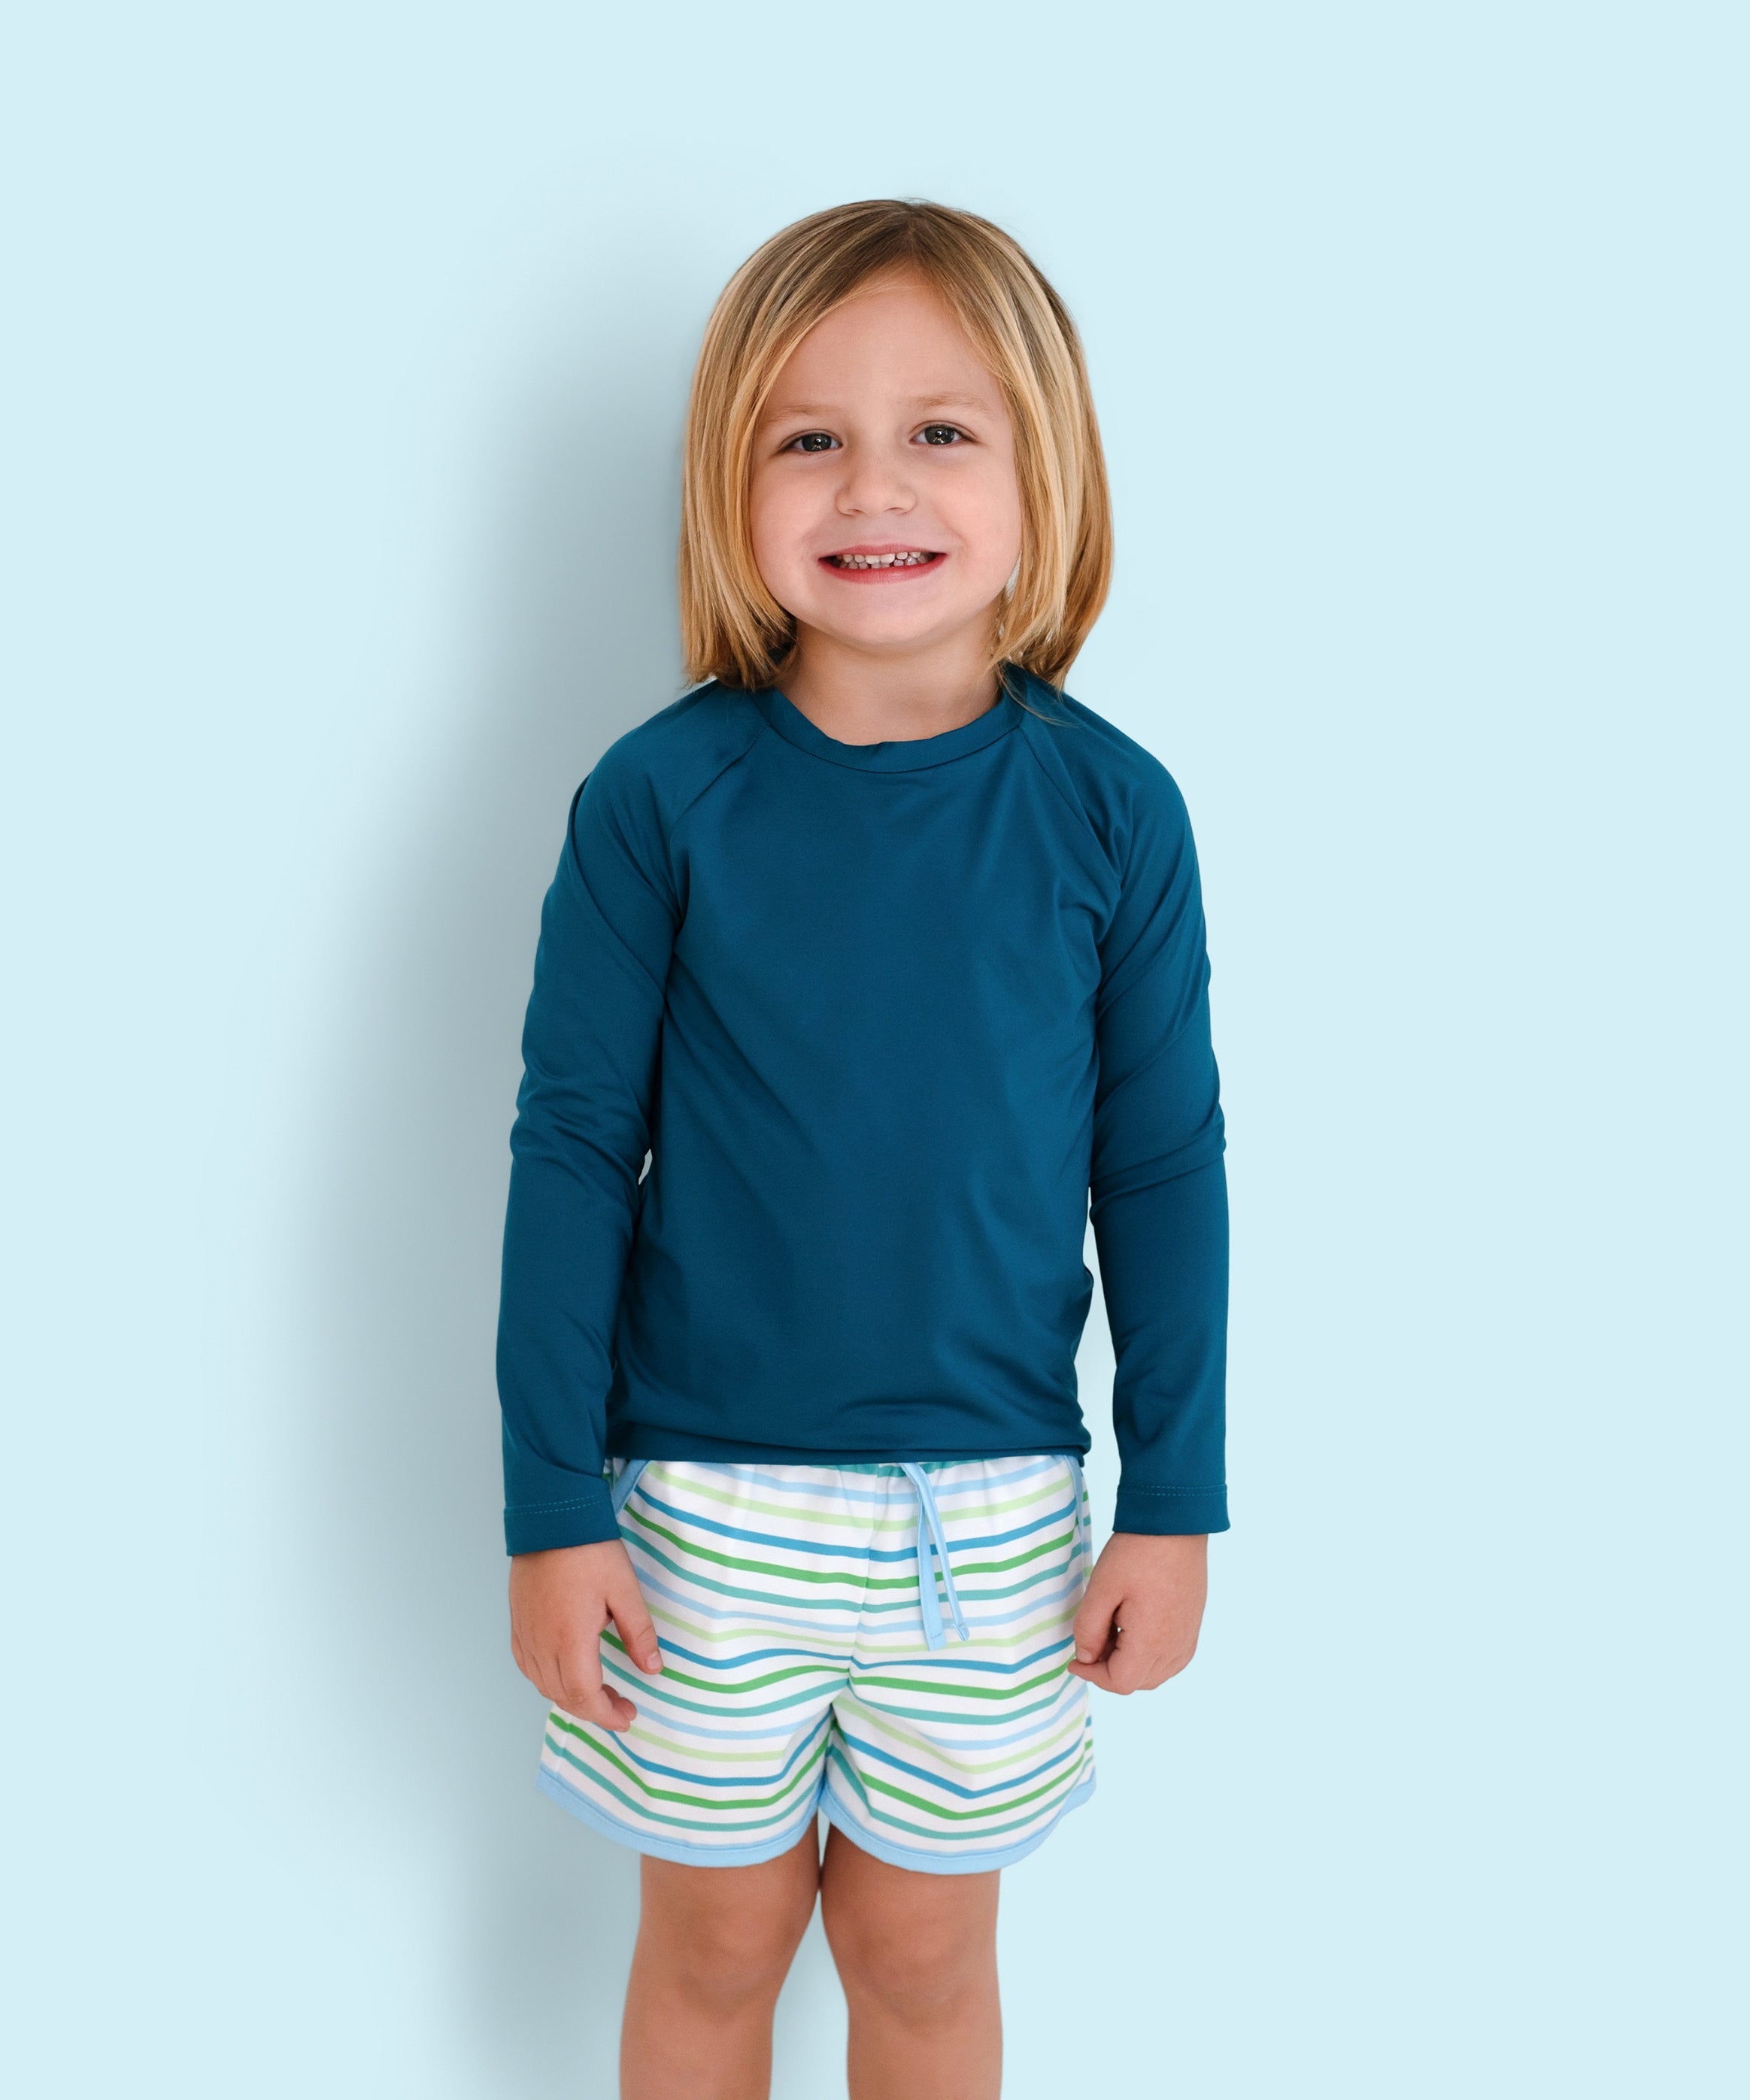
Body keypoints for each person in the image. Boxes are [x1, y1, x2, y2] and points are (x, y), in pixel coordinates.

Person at [496, 199, 1228, 2100]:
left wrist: (1176, 1496)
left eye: (940, 431)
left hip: (991, 1526)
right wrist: (551, 1507)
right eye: (808, 436)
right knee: (716, 1942)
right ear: (730, 484)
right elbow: (570, 1154)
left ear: (1041, 469)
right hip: (697, 1519)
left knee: (920, 1952)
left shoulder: (1113, 811)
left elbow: (1161, 1167)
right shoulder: (661, 798)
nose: (872, 483)